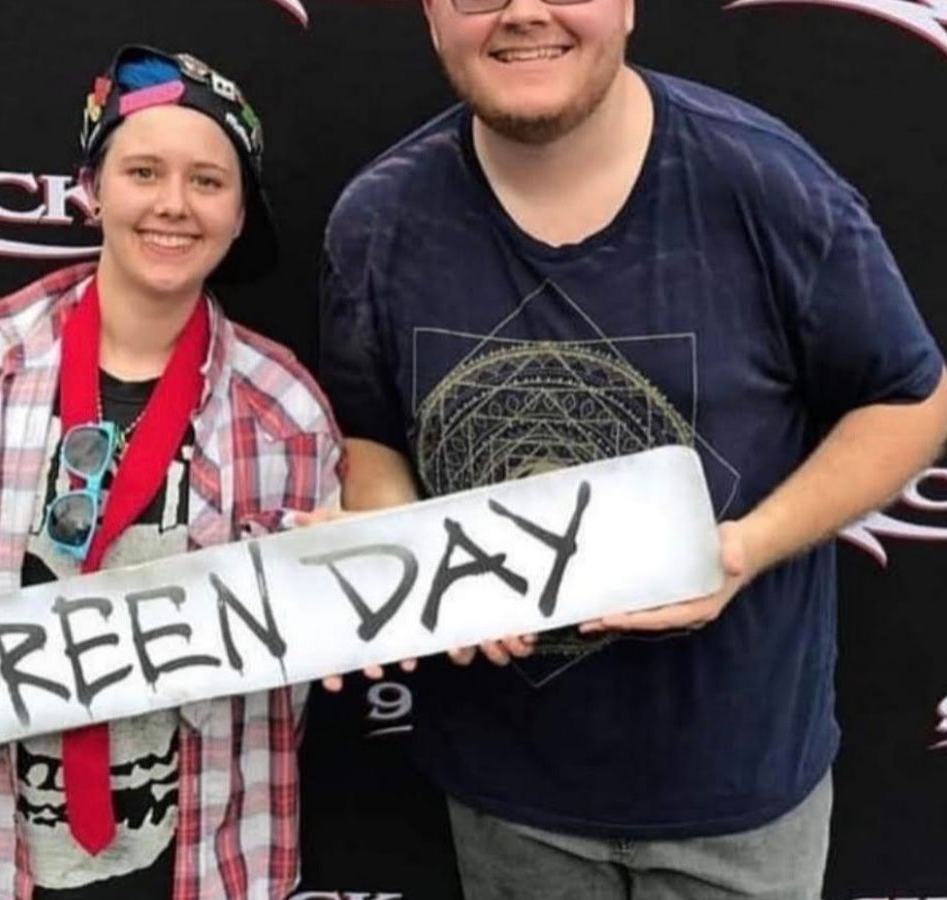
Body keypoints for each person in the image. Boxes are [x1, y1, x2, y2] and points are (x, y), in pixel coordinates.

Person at [318, 0, 947, 897]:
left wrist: (746, 547)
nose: (523, 12)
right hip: (507, 797)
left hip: (738, 794)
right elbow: (371, 436)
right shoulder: (378, 219)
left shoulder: (765, 184)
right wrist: (412, 559)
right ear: (431, 15)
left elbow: (913, 403)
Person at [0, 44, 343, 900]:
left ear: (240, 213)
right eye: (143, 171)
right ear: (92, 188)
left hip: (210, 850)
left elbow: (323, 598)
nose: (173, 204)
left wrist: (344, 574)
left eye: (208, 181)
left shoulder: (285, 405)